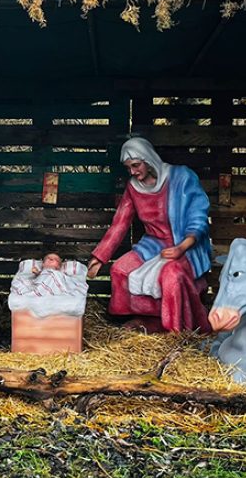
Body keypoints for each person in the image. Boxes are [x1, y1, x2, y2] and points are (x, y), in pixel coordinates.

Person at [87, 137, 212, 333]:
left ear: (148, 159)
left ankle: (175, 328)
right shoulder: (133, 188)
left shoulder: (181, 177)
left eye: (136, 165)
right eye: (129, 168)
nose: (133, 172)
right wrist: (100, 257)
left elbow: (198, 218)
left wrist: (182, 247)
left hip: (185, 245)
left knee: (171, 275)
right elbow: (120, 223)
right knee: (120, 270)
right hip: (153, 245)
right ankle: (144, 319)